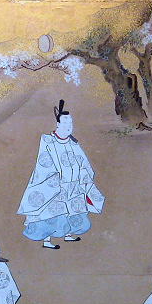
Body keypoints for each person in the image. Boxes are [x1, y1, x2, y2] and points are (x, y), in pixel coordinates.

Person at [18, 100, 104, 249]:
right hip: (53, 184)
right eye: (65, 123)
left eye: (70, 123)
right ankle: (47, 241)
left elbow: (83, 161)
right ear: (58, 124)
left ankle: (68, 235)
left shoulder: (73, 143)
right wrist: (57, 178)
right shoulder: (48, 141)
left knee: (72, 210)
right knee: (50, 213)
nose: (69, 126)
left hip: (73, 184)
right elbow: (44, 162)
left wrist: (82, 175)